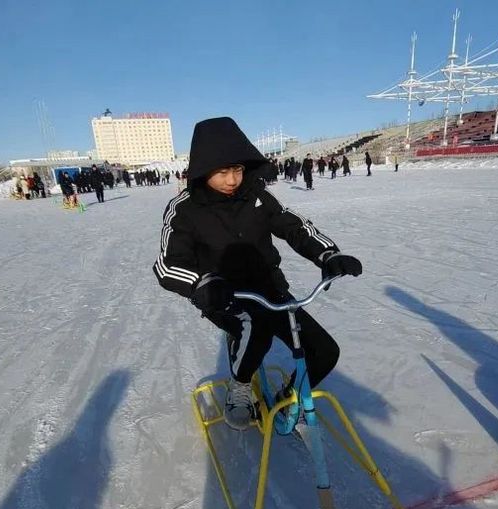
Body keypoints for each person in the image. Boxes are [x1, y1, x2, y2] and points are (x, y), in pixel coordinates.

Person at [153, 117, 362, 431]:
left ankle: (287, 399)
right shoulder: (184, 209)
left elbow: (294, 228)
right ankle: (239, 388)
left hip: (269, 290)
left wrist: (328, 254)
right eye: (222, 171)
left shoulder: (258, 196)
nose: (233, 179)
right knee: (256, 330)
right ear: (203, 170)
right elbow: (168, 264)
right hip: (225, 296)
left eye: (237, 169)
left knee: (324, 351)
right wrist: (203, 283)